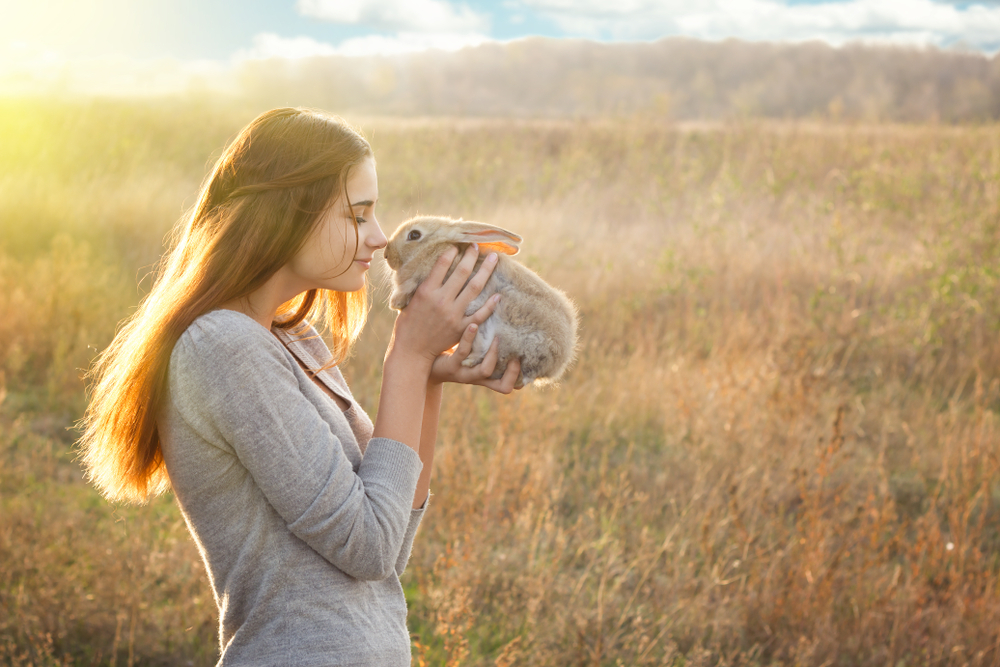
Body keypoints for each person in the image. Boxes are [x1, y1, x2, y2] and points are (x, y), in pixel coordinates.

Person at [79, 107, 521, 666]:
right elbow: (369, 546)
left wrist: (427, 373)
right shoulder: (223, 347)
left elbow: (392, 540)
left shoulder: (293, 338)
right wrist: (406, 356)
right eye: (358, 215)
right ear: (287, 213)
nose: (380, 238)